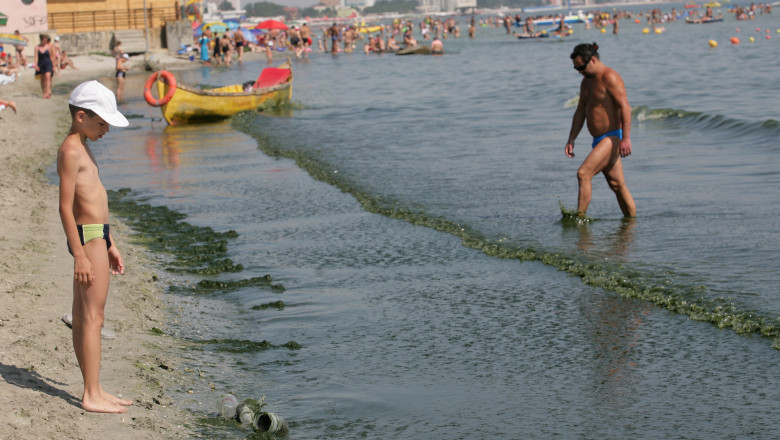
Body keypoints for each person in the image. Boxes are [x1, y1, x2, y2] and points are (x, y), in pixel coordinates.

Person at [57, 80, 131, 413]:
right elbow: (66, 206)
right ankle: (91, 394)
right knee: (92, 317)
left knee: (84, 315)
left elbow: (96, 201)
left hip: (97, 234)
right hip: (87, 237)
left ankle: (95, 387)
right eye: (102, 123)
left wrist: (111, 242)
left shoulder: (84, 145)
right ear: (81, 116)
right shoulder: (72, 149)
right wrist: (81, 255)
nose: (106, 130)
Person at [564, 43, 636, 218]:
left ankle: (579, 220)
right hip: (598, 140)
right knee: (617, 185)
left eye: (581, 67)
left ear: (593, 60)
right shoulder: (586, 82)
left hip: (612, 138)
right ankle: (631, 225)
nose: (579, 71)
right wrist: (571, 139)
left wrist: (626, 138)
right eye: (576, 69)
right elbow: (580, 111)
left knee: (583, 174)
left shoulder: (610, 77)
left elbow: (625, 107)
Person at [34, 34, 53, 98]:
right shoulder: (37, 47)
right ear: (42, 39)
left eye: (46, 39)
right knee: (42, 79)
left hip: (48, 63)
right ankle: (44, 92)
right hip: (40, 64)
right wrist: (36, 65)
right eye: (45, 39)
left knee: (48, 77)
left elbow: (51, 56)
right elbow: (36, 57)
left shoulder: (49, 47)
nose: (46, 40)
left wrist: (53, 66)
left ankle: (48, 93)